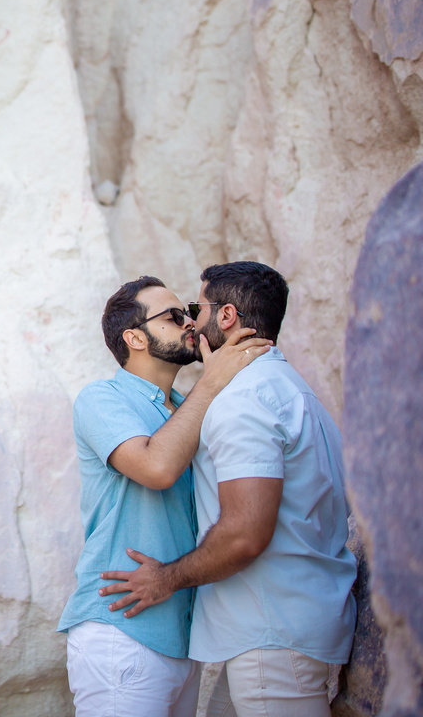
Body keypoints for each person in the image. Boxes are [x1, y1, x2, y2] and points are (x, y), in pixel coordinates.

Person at [98, 261, 358, 717]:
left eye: (195, 309)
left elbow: (244, 534)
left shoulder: (245, 400)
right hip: (282, 630)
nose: (190, 323)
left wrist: (165, 579)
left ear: (227, 316)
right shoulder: (297, 391)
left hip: (273, 636)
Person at [58, 276, 271, 716]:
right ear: (134, 337)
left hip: (181, 640)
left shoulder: (185, 406)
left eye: (190, 311)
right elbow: (156, 468)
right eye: (174, 317)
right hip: (122, 631)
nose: (191, 323)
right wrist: (211, 383)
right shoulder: (101, 398)